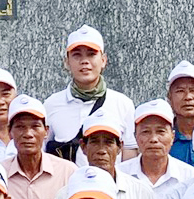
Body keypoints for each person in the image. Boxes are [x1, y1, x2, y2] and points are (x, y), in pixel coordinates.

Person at [41, 102, 161, 199]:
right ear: (83, 147)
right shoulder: (65, 195)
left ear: (120, 147)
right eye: (95, 141)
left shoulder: (142, 194)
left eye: (109, 142)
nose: (102, 150)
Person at [43, 25, 134, 158]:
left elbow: (130, 155)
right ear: (67, 62)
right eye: (77, 55)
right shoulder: (51, 104)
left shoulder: (122, 104)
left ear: (103, 61)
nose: (84, 61)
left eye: (91, 54)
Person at [1, 93, 74, 199]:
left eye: (35, 126)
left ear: (46, 131)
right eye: (20, 127)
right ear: (9, 132)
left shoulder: (67, 173)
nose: (28, 134)